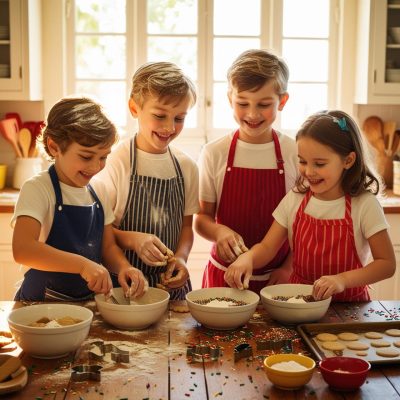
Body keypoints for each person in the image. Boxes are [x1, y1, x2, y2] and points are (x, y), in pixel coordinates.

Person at [225, 110, 396, 301]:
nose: (308, 171)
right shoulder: (295, 199)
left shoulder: (364, 205)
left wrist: (342, 280)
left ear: (348, 160)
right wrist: (248, 258)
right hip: (299, 303)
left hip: (349, 308)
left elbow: (386, 264)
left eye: (320, 164)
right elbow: (267, 247)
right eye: (302, 161)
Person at [12, 96, 147, 301]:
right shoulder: (38, 189)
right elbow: (23, 250)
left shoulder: (99, 190)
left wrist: (124, 267)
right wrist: (83, 265)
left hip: (85, 305)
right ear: (54, 147)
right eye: (86, 156)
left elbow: (108, 247)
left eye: (103, 157)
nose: (95, 167)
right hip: (38, 307)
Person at [92, 61, 199, 300]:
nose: (169, 127)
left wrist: (180, 258)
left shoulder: (187, 167)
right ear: (134, 108)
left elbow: (185, 228)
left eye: (179, 118)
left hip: (171, 289)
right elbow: (102, 232)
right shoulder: (115, 162)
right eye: (160, 116)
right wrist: (133, 240)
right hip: (123, 285)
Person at [195, 49, 298, 294]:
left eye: (264, 104)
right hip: (224, 279)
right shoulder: (214, 152)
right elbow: (202, 219)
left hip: (278, 280)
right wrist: (219, 231)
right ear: (230, 99)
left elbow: (303, 226)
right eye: (242, 103)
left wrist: (289, 267)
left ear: (282, 102)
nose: (252, 114)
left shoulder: (294, 152)